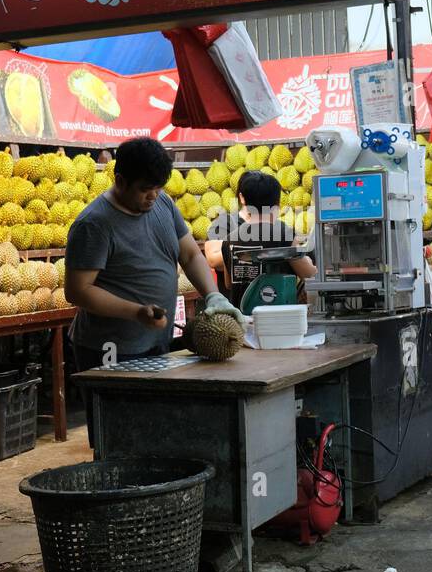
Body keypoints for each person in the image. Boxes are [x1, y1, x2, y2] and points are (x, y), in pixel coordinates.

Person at [65, 138, 244, 445]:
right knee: (118, 439)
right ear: (120, 181)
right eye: (145, 188)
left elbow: (189, 254)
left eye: (159, 187)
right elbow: (78, 291)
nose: (153, 196)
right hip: (109, 348)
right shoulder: (94, 225)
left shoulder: (162, 204)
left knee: (154, 433)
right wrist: (135, 311)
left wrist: (213, 294)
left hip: (156, 343)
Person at [206, 170, 317, 307]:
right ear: (277, 205)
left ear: (244, 200)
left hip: (243, 319)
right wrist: (308, 261)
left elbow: (229, 284)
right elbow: (308, 274)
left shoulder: (229, 240)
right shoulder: (284, 234)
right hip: (280, 317)